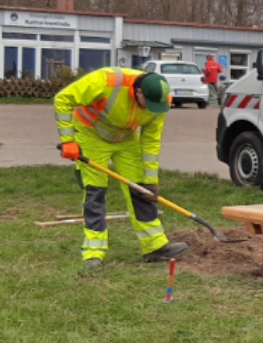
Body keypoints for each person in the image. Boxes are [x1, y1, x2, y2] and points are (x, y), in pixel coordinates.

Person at [54, 67, 188, 268]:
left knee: (139, 191)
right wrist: (68, 141)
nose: (151, 110)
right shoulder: (107, 81)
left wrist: (150, 181)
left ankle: (154, 246)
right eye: (148, 105)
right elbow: (63, 99)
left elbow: (151, 141)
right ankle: (93, 253)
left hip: (126, 140)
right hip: (92, 136)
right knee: (95, 193)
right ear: (139, 92)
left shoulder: (160, 103)